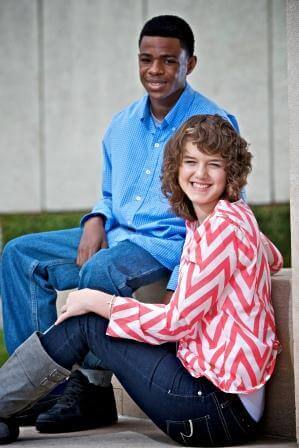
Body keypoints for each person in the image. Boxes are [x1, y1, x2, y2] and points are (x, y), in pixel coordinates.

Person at [0, 15, 240, 433]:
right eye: (146, 59)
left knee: (101, 270)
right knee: (20, 255)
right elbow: (109, 194)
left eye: (168, 61)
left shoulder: (210, 123)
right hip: (116, 234)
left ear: (191, 63)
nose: (155, 70)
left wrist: (181, 280)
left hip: (163, 245)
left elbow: (224, 205)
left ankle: (91, 391)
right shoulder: (122, 125)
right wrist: (95, 218)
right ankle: (40, 390)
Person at [0, 114, 282, 446]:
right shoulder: (226, 218)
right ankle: (9, 407)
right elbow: (273, 257)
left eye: (214, 164)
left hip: (217, 410)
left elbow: (176, 323)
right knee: (91, 318)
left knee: (90, 320)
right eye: (191, 161)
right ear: (176, 167)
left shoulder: (220, 228)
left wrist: (95, 300)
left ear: (230, 172)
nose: (200, 174)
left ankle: (8, 403)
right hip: (220, 396)